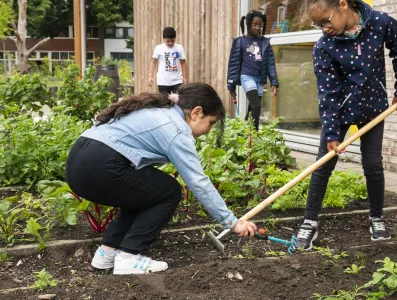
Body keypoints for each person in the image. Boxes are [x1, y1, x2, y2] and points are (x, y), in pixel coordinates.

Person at [66, 83, 258, 275]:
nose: (208, 130)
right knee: (169, 191)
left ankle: (107, 252)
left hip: (78, 164)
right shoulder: (176, 129)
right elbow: (198, 182)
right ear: (196, 113)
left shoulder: (159, 112)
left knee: (145, 191)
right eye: (211, 122)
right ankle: (130, 256)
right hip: (100, 165)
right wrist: (232, 222)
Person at [293, 0, 397, 250]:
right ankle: (309, 221)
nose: (324, 28)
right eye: (318, 25)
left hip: (373, 109)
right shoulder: (324, 47)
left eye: (326, 20)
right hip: (340, 110)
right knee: (323, 165)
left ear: (343, 5)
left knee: (373, 164)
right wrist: (330, 131)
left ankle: (377, 218)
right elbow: (328, 93)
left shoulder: (381, 24)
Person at [226, 10, 279, 131]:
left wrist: (274, 82)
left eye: (260, 25)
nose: (258, 28)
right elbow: (233, 64)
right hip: (247, 77)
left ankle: (244, 133)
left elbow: (270, 64)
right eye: (255, 25)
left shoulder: (265, 43)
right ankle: (253, 135)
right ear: (248, 24)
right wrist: (231, 85)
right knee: (256, 106)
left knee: (252, 109)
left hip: (259, 79)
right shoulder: (240, 42)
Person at [148, 27, 188, 96]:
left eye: (172, 41)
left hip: (177, 80)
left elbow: (183, 62)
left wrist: (184, 77)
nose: (170, 43)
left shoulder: (179, 48)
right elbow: (154, 62)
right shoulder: (159, 48)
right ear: (164, 39)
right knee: (165, 102)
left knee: (177, 101)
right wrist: (150, 76)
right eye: (168, 41)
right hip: (163, 81)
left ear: (175, 38)